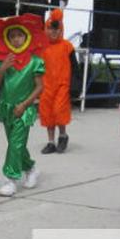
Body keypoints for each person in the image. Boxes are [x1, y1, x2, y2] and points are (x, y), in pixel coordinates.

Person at [0, 14, 47, 197]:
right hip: (7, 108)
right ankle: (31, 168)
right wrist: (3, 67)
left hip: (24, 109)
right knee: (16, 145)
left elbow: (40, 87)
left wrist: (25, 104)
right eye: (12, 36)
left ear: (27, 37)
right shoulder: (4, 59)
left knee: (15, 143)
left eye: (19, 35)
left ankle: (10, 180)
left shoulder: (35, 61)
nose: (16, 39)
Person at [39, 9, 75, 153]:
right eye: (50, 29)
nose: (53, 32)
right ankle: (51, 142)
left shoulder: (67, 46)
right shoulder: (42, 48)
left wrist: (75, 86)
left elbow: (75, 67)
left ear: (61, 29)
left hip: (62, 85)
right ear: (45, 29)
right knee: (47, 113)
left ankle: (62, 136)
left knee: (60, 111)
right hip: (46, 85)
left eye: (56, 29)